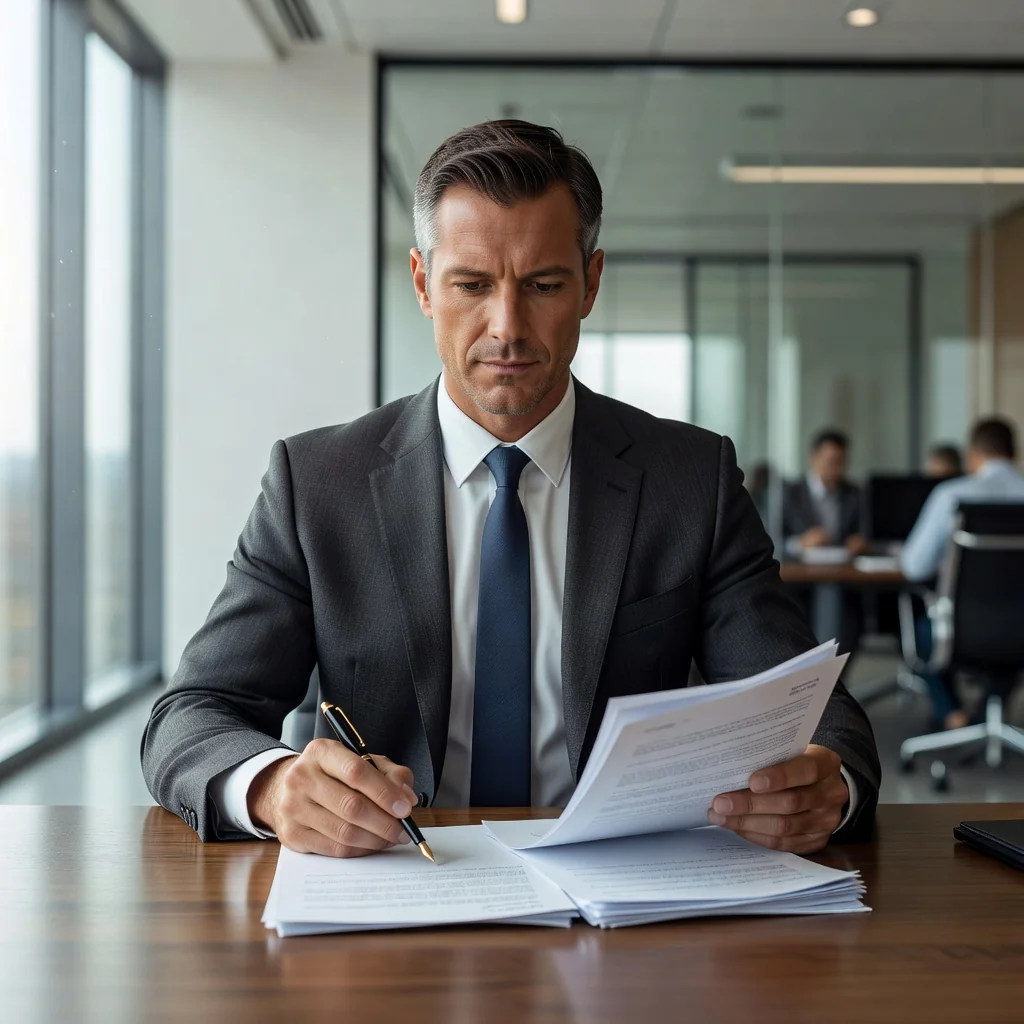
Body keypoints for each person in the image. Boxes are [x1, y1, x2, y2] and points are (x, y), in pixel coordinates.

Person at [142, 120, 879, 861]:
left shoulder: (691, 481)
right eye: (471, 284)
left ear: (590, 284)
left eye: (543, 285)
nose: (508, 327)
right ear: (424, 284)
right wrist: (271, 786)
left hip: (623, 904)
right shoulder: (317, 486)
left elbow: (814, 709)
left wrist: (827, 784)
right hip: (394, 886)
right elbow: (193, 714)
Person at [901, 417, 1024, 729]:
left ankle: (953, 712)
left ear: (973, 454)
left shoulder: (951, 495)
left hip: (960, 630)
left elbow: (914, 565)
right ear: (1015, 452)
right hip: (1019, 627)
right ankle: (987, 714)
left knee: (923, 631)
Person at [782, 430, 865, 557]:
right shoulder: (789, 494)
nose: (837, 468)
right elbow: (773, 539)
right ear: (813, 458)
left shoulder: (854, 494)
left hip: (844, 569)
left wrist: (858, 542)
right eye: (831, 461)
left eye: (842, 461)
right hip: (800, 571)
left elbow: (864, 533)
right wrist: (800, 543)